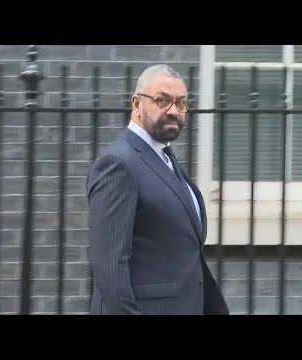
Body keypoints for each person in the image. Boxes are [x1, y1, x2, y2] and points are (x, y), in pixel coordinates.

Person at [86, 64, 229, 315]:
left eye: (181, 103)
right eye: (162, 100)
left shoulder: (163, 157)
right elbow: (109, 267)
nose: (173, 110)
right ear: (136, 104)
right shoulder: (118, 164)